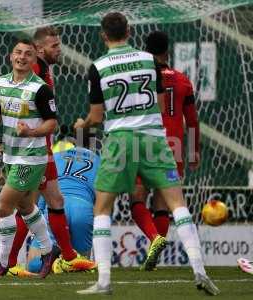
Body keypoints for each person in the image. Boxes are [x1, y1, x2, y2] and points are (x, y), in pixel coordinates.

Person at [74, 12, 219, 295]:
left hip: (119, 141)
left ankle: (104, 281)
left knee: (102, 208)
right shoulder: (149, 61)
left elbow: (96, 115)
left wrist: (83, 124)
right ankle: (200, 271)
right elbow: (162, 105)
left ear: (103, 36)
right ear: (129, 31)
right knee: (177, 204)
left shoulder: (98, 67)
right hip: (154, 139)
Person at [7, 26, 95, 273]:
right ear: (40, 48)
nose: (59, 49)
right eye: (55, 45)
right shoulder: (35, 69)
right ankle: (9, 262)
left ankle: (67, 256)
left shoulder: (44, 69)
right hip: (33, 148)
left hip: (42, 148)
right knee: (27, 205)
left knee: (54, 200)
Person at [0, 39, 57, 280]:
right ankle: (49, 250)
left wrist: (30, 132)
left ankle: (2, 261)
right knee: (25, 206)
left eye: (28, 54)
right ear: (10, 56)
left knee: (3, 205)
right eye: (18, 52)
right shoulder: (1, 82)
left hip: (32, 157)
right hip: (11, 155)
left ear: (34, 60)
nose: (22, 57)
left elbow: (52, 123)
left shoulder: (40, 88)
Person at [130, 30, 201, 271]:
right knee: (162, 203)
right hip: (174, 147)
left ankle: (153, 239)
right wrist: (193, 152)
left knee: (137, 196)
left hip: (145, 144)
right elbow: (192, 120)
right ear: (167, 51)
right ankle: (158, 253)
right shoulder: (182, 80)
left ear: (146, 50)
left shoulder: (140, 77)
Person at [24, 140, 100, 274]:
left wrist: (37, 227)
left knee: (34, 266)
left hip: (56, 205)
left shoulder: (55, 157)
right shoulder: (98, 160)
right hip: (83, 207)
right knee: (79, 266)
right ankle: (66, 262)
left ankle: (55, 264)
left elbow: (44, 191)